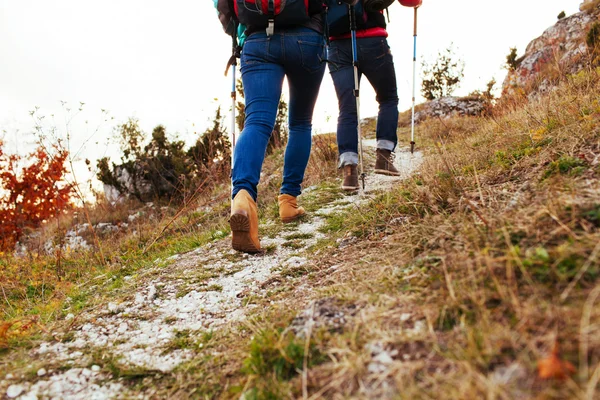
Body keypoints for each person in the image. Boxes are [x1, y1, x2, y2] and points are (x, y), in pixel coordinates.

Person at [216, 0, 327, 253]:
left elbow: (221, 5)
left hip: (256, 38)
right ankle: (288, 200)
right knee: (300, 122)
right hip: (307, 37)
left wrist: (236, 28)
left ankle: (242, 196)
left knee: (256, 121)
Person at [327, 0, 402, 191]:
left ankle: (349, 172)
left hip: (338, 45)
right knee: (388, 98)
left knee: (347, 108)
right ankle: (384, 158)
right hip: (373, 41)